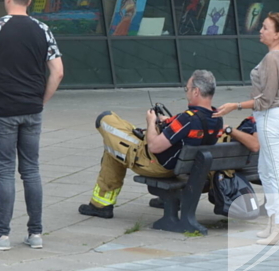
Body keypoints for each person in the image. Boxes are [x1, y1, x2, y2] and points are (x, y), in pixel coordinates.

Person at [0, 0, 63, 251]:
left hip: (3, 109)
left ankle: (0, 236)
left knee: (5, 171)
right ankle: (35, 233)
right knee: (31, 170)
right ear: (29, 1)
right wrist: (41, 99)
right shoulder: (42, 29)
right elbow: (58, 72)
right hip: (32, 109)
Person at [79, 70, 223, 219]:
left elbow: (154, 146)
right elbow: (192, 132)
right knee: (116, 143)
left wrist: (151, 122)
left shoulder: (187, 119)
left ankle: (101, 204)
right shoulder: (217, 118)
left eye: (187, 89)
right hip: (183, 167)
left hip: (157, 165)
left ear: (196, 91)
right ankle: (103, 203)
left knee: (106, 120)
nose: (186, 92)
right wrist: (168, 121)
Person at [214, 12, 279, 247]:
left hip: (272, 117)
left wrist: (235, 105)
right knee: (266, 170)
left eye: (265, 28)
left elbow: (266, 99)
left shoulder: (273, 58)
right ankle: (275, 223)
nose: (260, 31)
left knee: (275, 172)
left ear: (277, 34)